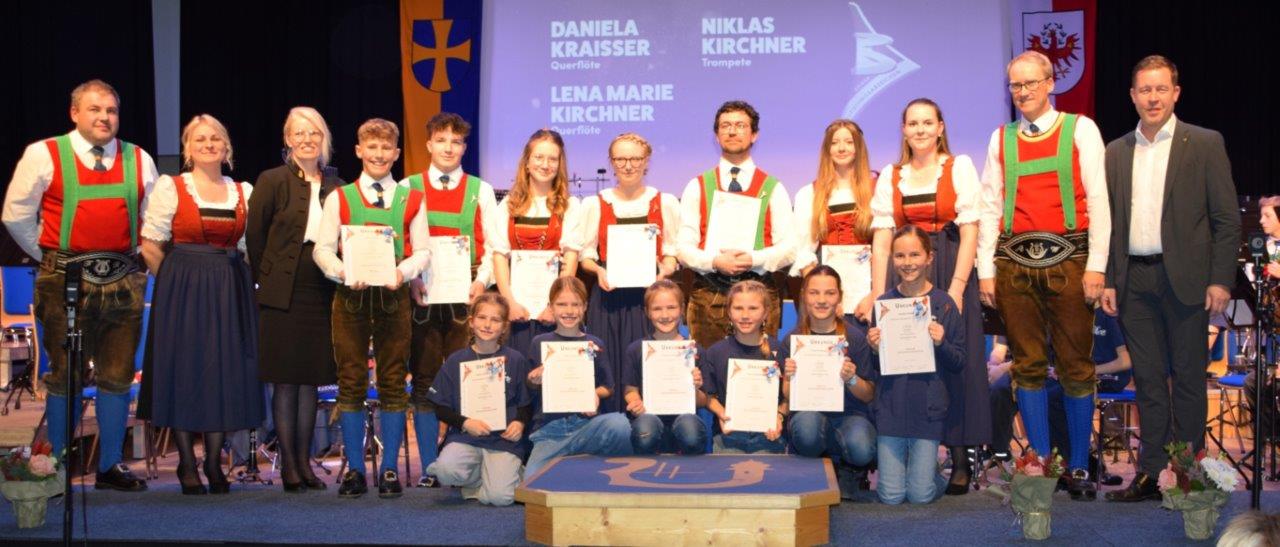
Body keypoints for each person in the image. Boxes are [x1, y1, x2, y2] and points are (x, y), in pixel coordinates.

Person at [3, 79, 157, 491]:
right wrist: (51, 256)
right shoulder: (44, 153)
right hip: (63, 282)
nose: (104, 117)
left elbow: (155, 218)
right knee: (65, 374)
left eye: (111, 111)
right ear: (75, 113)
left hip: (123, 282)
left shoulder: (138, 158)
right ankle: (54, 466)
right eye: (95, 109)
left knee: (118, 373)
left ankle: (109, 466)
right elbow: (15, 214)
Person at [1101, 55, 1242, 502]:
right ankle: (1150, 473)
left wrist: (1220, 280)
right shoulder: (1116, 151)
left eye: (1161, 89)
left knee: (1187, 380)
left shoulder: (1204, 143)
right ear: (1132, 96)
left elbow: (1226, 219)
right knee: (1146, 381)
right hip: (1133, 281)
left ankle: (1187, 476)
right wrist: (1108, 278)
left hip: (1186, 281)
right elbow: (1109, 223)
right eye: (1145, 89)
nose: (1153, 97)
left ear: (1176, 93)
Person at [977, 50, 1110, 500]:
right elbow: (990, 206)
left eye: (1031, 83)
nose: (1023, 92)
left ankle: (1078, 466)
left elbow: (1099, 200)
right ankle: (1038, 465)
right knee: (1028, 365)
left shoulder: (1081, 129)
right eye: (1016, 85)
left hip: (1071, 260)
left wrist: (1097, 266)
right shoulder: (1000, 138)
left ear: (1050, 83)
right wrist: (985, 271)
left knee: (1076, 364)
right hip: (1014, 265)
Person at [139, 114, 263, 495]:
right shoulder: (172, 187)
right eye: (200, 139)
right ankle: (186, 463)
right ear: (188, 149)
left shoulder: (243, 190)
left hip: (229, 287)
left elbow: (248, 248)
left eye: (215, 139)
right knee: (185, 371)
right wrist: (174, 285)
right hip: (183, 290)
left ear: (226, 148)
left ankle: (213, 461)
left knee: (223, 373)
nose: (208, 144)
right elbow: (150, 245)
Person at [871, 98, 989, 494]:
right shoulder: (891, 175)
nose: (920, 130)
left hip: (951, 264)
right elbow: (883, 240)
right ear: (903, 130)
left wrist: (956, 288)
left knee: (954, 361)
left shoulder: (959, 167)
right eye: (912, 123)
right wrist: (879, 295)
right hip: (908, 268)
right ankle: (917, 454)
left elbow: (970, 230)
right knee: (910, 363)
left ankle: (960, 460)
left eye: (927, 123)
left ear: (940, 127)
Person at [313, 119, 429, 499]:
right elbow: (322, 249)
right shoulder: (340, 198)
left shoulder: (412, 199)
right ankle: (355, 471)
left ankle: (390, 469)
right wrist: (342, 272)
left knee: (393, 379)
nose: (379, 154)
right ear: (359, 150)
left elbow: (423, 251)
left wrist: (402, 272)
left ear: (396, 153)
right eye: (372, 147)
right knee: (350, 379)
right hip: (351, 296)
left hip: (393, 295)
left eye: (386, 148)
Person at [246, 106, 343, 492]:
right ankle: (289, 466)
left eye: (314, 132)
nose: (307, 139)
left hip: (322, 288)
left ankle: (304, 464)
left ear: (323, 139)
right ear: (287, 139)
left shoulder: (337, 185)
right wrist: (265, 282)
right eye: (299, 133)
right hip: (282, 291)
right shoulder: (271, 180)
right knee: (286, 382)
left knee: (310, 382)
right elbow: (255, 237)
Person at [403, 112, 501, 487]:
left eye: (456, 141)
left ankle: (465, 461)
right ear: (429, 144)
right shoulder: (408, 187)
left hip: (467, 298)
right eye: (441, 140)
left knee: (470, 379)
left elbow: (494, 245)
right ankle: (431, 466)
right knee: (425, 380)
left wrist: (481, 283)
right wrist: (411, 278)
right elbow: (402, 241)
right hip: (423, 297)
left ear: (464, 147)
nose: (448, 147)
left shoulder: (481, 190)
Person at [677, 100, 793, 350]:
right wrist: (714, 262)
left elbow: (789, 248)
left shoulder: (774, 188)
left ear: (754, 134)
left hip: (759, 295)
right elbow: (683, 248)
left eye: (740, 125)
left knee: (757, 370)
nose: (732, 131)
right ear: (716, 135)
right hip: (707, 295)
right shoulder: (697, 186)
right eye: (725, 126)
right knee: (707, 370)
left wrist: (753, 259)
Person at [580, 133, 681, 412]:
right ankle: (611, 426)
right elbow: (586, 255)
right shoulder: (594, 204)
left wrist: (665, 270)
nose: (627, 165)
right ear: (611, 162)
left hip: (648, 300)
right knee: (609, 364)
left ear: (647, 161)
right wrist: (598, 270)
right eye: (620, 159)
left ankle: (649, 427)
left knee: (647, 366)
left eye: (635, 159)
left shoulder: (665, 202)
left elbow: (672, 252)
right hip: (608, 298)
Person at [868, 225, 966, 505]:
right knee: (891, 496)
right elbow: (876, 367)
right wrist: (874, 349)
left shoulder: (944, 304)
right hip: (892, 407)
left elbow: (959, 362)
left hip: (927, 409)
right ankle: (917, 473)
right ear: (892, 259)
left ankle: (931, 475)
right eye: (900, 256)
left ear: (929, 257)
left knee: (920, 495)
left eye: (914, 255)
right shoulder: (884, 304)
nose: (907, 262)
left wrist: (941, 343)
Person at [425, 293, 533, 506]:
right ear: (471, 322)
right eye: (482, 318)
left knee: (501, 498)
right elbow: (440, 407)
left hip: (503, 441)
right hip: (467, 437)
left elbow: (526, 402)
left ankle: (502, 478)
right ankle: (485, 478)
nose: (487, 324)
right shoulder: (456, 360)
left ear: (504, 327)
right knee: (445, 471)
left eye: (495, 320)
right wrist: (465, 423)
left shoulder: (515, 359)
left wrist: (520, 422)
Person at [779, 266, 876, 498]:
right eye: (814, 293)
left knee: (861, 446)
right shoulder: (792, 341)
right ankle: (819, 465)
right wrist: (789, 377)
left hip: (849, 416)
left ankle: (848, 468)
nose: (821, 300)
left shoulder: (855, 338)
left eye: (829, 293)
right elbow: (788, 397)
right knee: (807, 429)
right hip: (809, 415)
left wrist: (852, 379)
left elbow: (869, 394)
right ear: (804, 296)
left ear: (839, 296)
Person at [523, 277, 632, 478]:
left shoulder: (594, 343)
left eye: (576, 304)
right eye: (561, 304)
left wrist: (594, 394)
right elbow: (529, 389)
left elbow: (608, 387)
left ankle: (600, 467)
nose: (569, 311)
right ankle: (578, 466)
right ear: (551, 307)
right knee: (531, 481)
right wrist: (533, 379)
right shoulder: (539, 343)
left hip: (586, 426)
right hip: (550, 431)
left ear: (585, 307)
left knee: (620, 424)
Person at [492, 130, 583, 357]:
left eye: (552, 159)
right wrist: (509, 303)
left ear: (560, 165)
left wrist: (556, 306)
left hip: (553, 313)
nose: (545, 164)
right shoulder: (508, 205)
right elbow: (499, 257)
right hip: (516, 311)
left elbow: (570, 260)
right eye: (539, 157)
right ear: (527, 162)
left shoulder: (570, 206)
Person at [789, 120, 878, 322]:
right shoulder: (809, 194)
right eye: (835, 142)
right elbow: (803, 252)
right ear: (827, 149)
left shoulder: (877, 190)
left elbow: (885, 250)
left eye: (849, 142)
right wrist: (823, 297)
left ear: (859, 147)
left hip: (868, 295)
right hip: (824, 301)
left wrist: (874, 295)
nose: (841, 148)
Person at [621, 280, 708, 455]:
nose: (665, 315)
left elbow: (703, 401)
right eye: (657, 309)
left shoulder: (694, 350)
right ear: (647, 312)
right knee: (645, 431)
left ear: (682, 309)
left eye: (671, 307)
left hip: (685, 417)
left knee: (691, 433)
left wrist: (695, 388)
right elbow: (630, 390)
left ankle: (690, 468)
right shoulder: (636, 349)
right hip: (649, 416)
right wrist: (635, 403)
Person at [702, 280, 788, 454]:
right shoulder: (715, 352)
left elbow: (788, 397)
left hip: (770, 436)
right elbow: (707, 396)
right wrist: (722, 414)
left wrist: (779, 416)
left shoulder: (779, 350)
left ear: (766, 312)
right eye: (738, 308)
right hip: (729, 437)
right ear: (729, 312)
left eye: (753, 308)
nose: (745, 315)